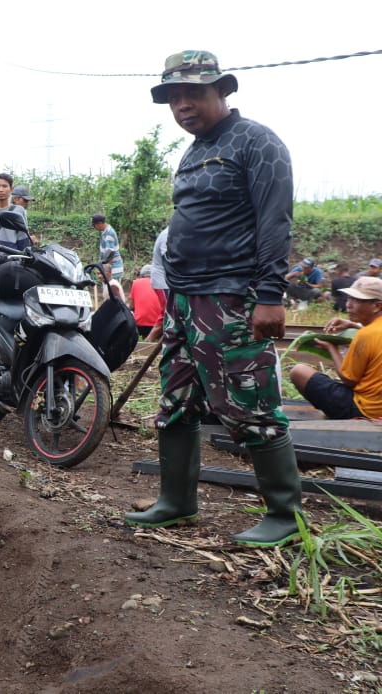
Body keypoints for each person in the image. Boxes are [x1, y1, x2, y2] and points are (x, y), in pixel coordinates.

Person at [124, 50, 303, 547]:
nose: (183, 105)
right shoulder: (196, 149)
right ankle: (177, 500)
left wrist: (270, 295)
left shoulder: (257, 143)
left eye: (194, 94)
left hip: (233, 297)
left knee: (250, 402)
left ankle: (285, 515)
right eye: (174, 97)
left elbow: (274, 223)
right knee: (176, 401)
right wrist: (171, 306)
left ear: (222, 90)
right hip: (186, 301)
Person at [289, 277, 382, 420]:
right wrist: (353, 324)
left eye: (356, 301)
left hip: (366, 410)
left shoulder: (366, 335)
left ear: (377, 306)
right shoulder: (372, 330)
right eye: (348, 299)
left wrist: (332, 349)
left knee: (299, 372)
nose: (348, 306)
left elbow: (349, 380)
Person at [146, 226, 170, 342]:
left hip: (167, 281)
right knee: (167, 313)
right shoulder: (167, 235)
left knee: (168, 313)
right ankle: (146, 344)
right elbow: (169, 258)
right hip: (162, 281)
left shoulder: (173, 234)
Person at [130, 264, 165, 338]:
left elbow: (131, 306)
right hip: (158, 324)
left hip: (140, 324)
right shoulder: (161, 283)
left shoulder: (135, 283)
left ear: (141, 275)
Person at [92, 214, 124, 281]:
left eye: (94, 225)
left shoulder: (109, 234)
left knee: (112, 290)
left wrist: (106, 272)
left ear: (99, 224)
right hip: (110, 270)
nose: (95, 228)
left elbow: (110, 254)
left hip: (113, 270)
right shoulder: (105, 232)